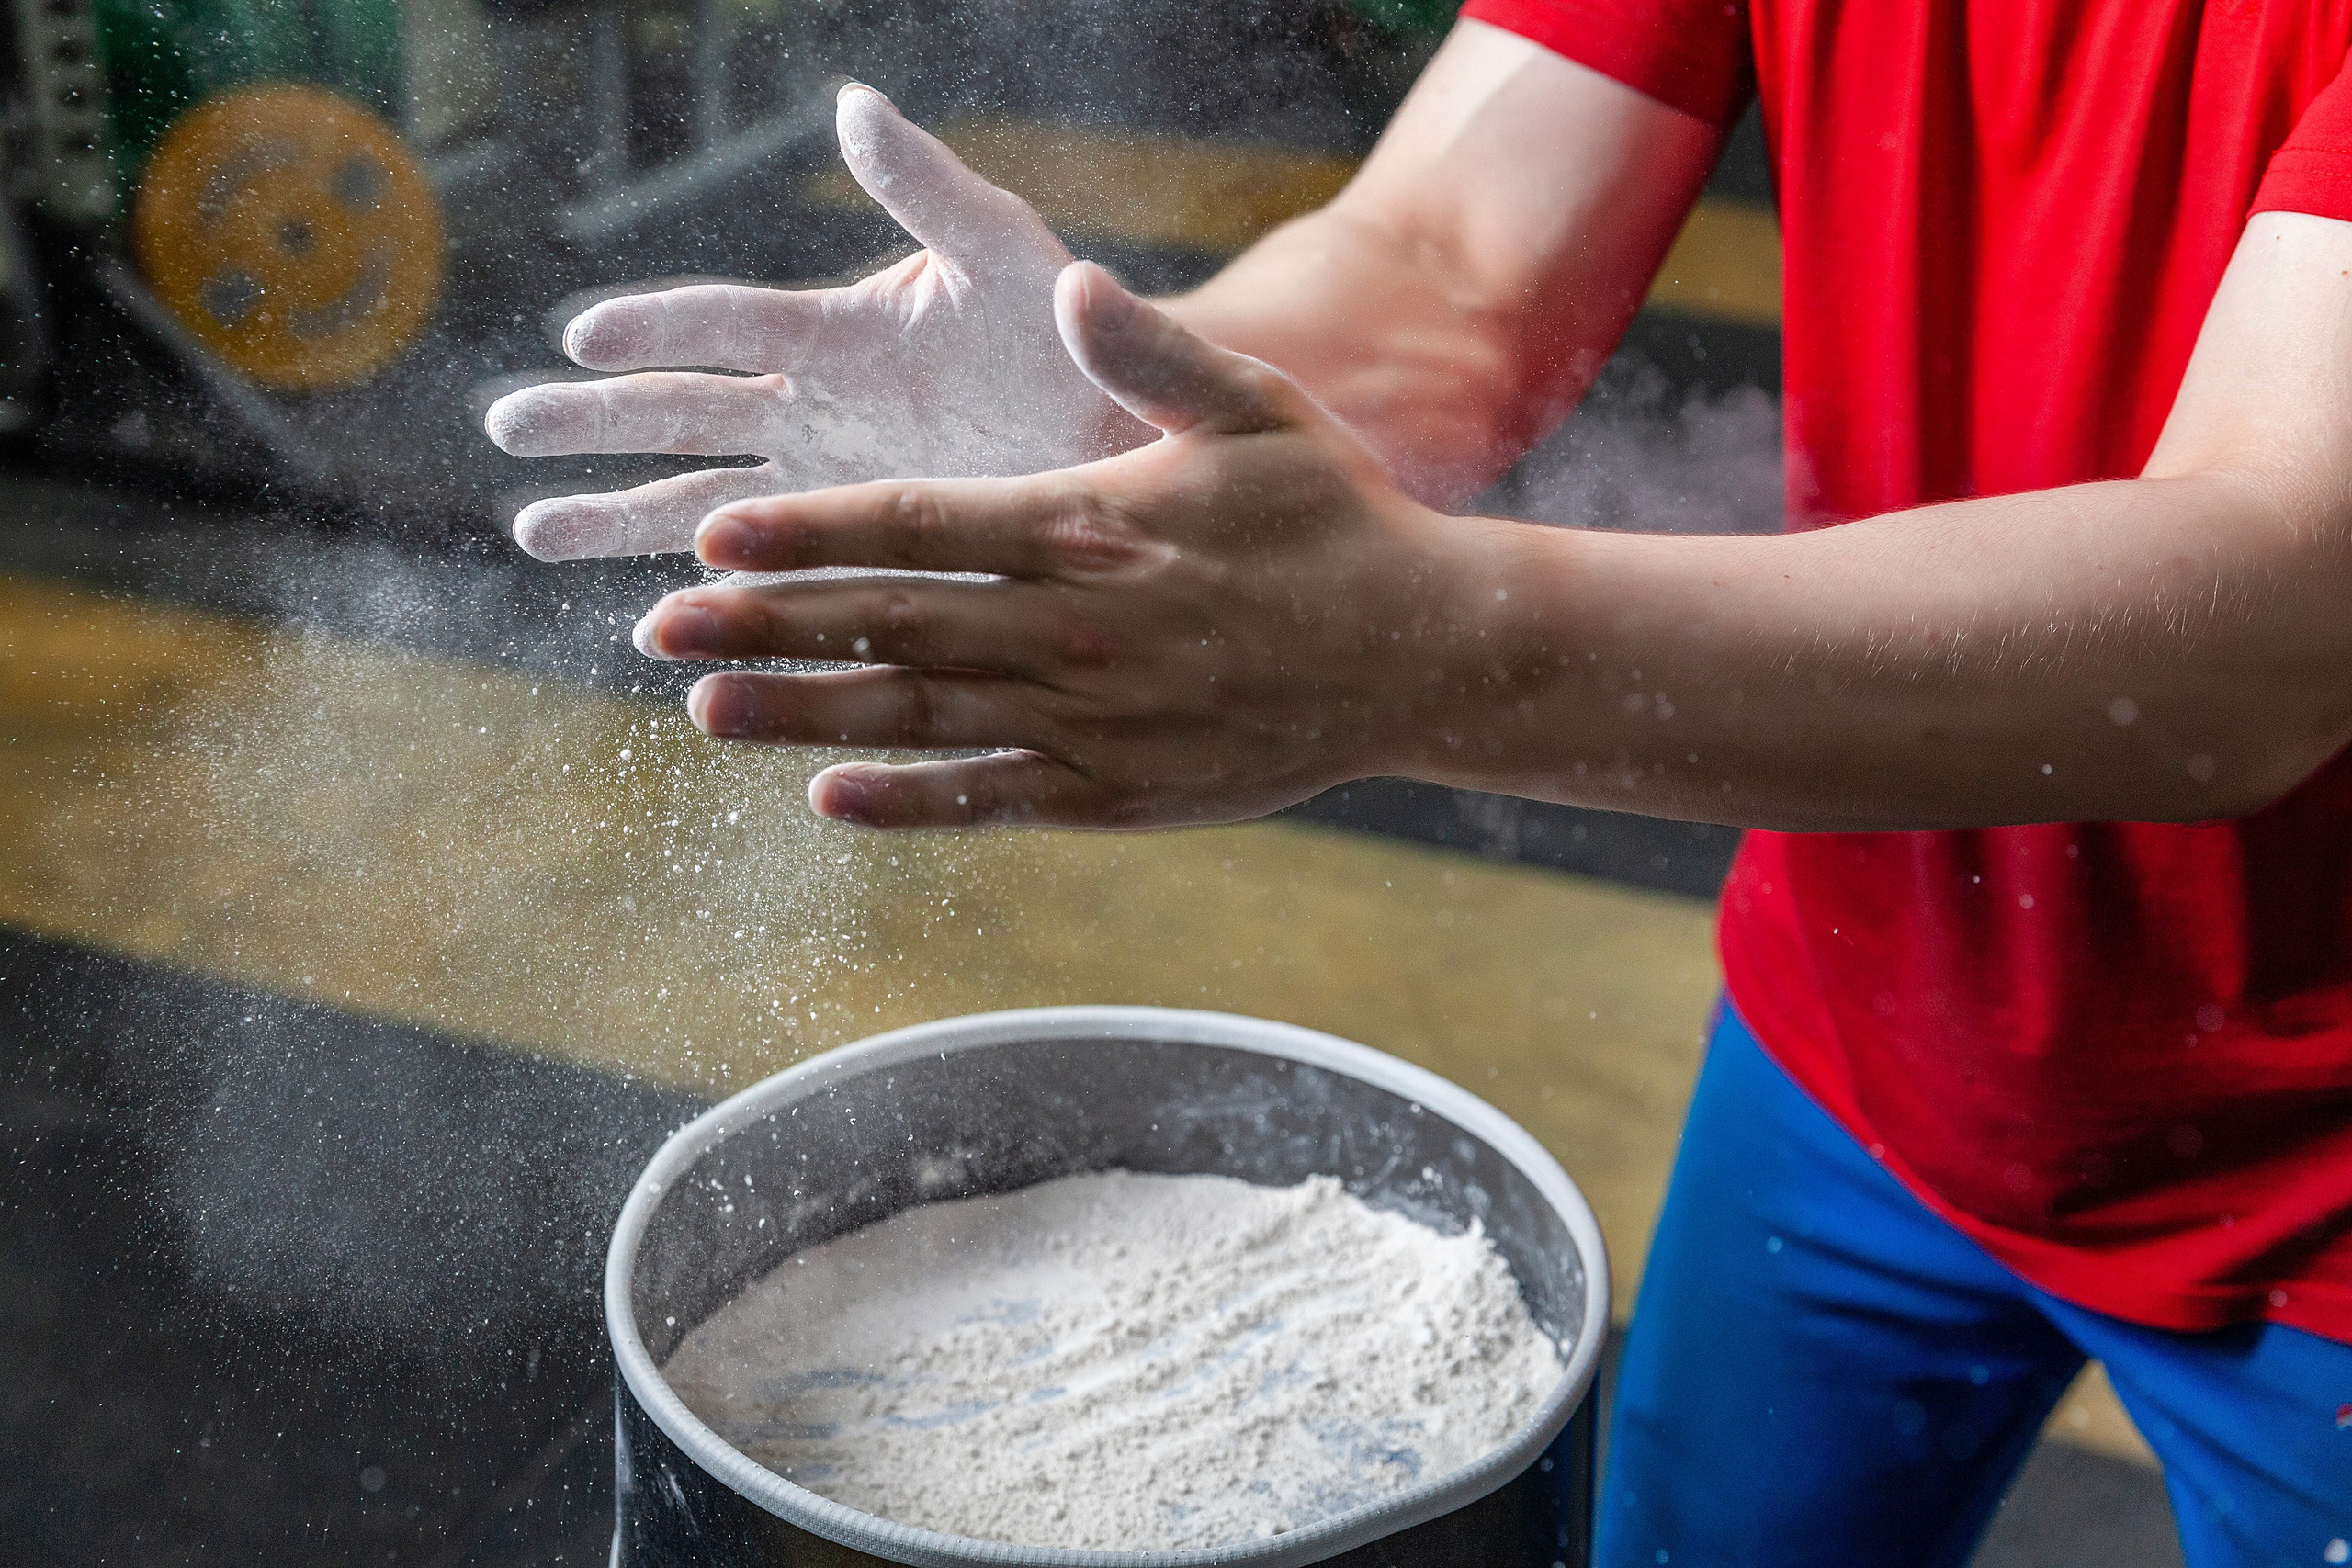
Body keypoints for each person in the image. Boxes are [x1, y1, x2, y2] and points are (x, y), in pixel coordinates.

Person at [484, 6, 2352, 1562]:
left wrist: (1428, 653)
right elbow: (1453, 261)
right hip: (1866, 1033)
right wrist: (1123, 423)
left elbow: (2261, 619)